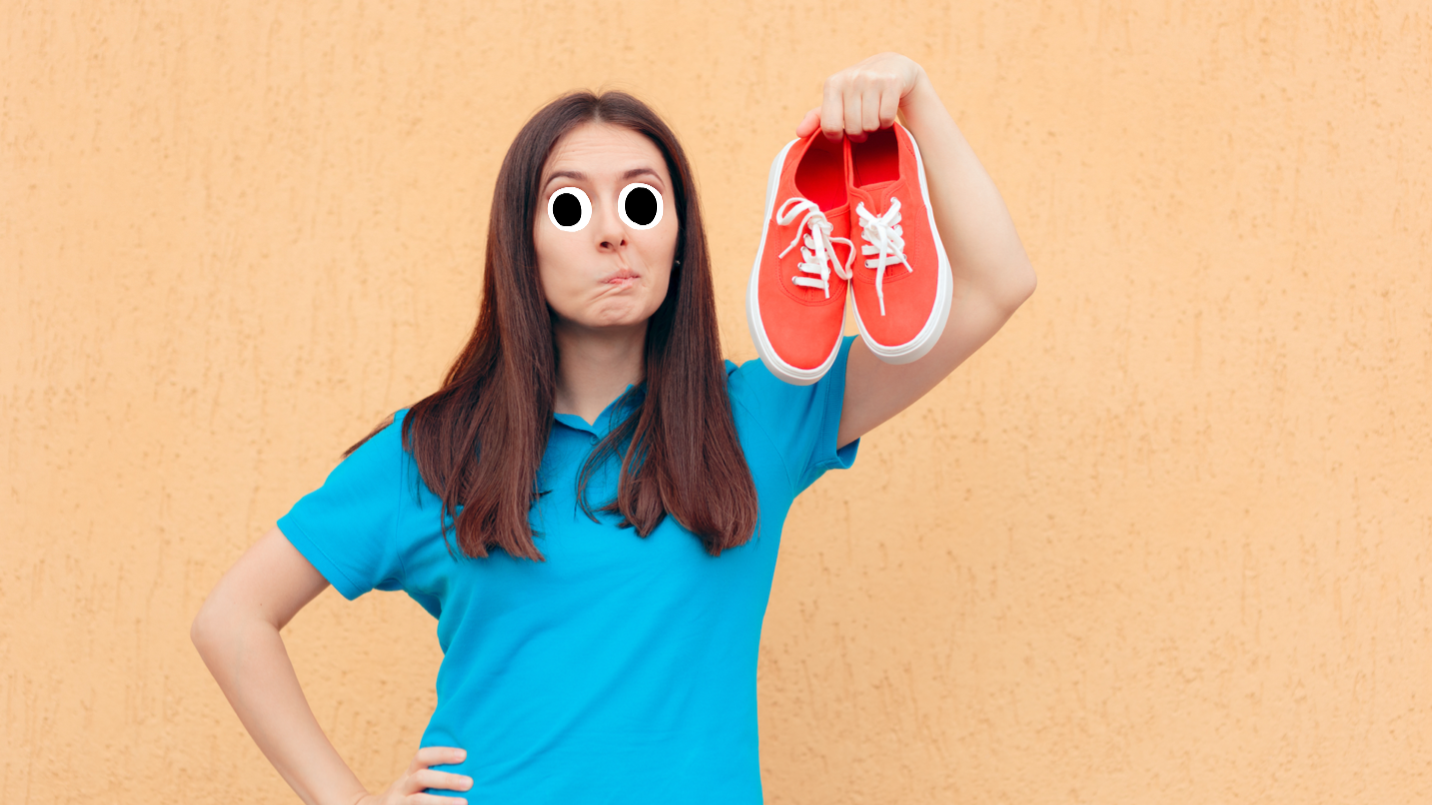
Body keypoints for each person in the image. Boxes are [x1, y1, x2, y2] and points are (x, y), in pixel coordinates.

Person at [191, 52, 1035, 805]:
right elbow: (233, 619)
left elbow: (996, 283)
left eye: (640, 200)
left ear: (678, 237)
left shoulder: (761, 415)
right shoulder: (434, 451)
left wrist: (916, 99)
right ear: (522, 245)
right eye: (569, 206)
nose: (611, 231)